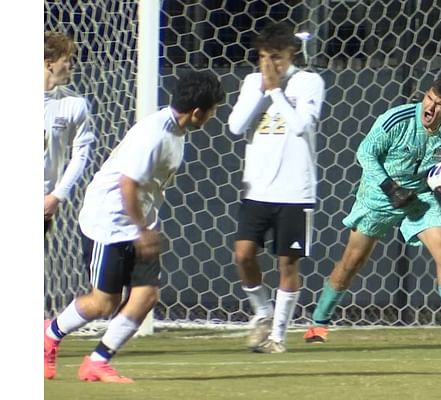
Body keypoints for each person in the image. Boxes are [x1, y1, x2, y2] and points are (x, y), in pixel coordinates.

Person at [43, 71, 224, 382]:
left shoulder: (176, 131)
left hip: (139, 224)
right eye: (213, 110)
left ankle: (97, 362)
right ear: (197, 112)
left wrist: (145, 226)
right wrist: (143, 230)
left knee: (146, 296)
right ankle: (48, 334)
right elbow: (127, 184)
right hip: (109, 222)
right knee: (104, 302)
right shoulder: (153, 134)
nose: (213, 115)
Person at [303, 77, 441, 346]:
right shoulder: (397, 119)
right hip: (379, 196)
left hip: (420, 199)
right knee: (352, 262)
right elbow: (365, 153)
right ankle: (318, 324)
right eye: (429, 99)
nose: (431, 107)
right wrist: (390, 187)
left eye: (440, 105)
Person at [228, 21, 325, 354]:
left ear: (291, 53)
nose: (270, 64)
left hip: (295, 191)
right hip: (257, 190)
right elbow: (236, 126)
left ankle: (278, 337)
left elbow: (301, 126)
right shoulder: (252, 82)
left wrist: (274, 92)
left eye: (277, 57)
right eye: (264, 57)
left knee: (288, 264)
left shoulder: (309, 82)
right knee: (243, 255)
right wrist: (263, 89)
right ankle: (263, 313)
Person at [44, 31, 95, 235]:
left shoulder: (75, 104)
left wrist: (57, 196)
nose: (71, 66)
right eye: (66, 60)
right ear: (50, 63)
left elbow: (81, 154)